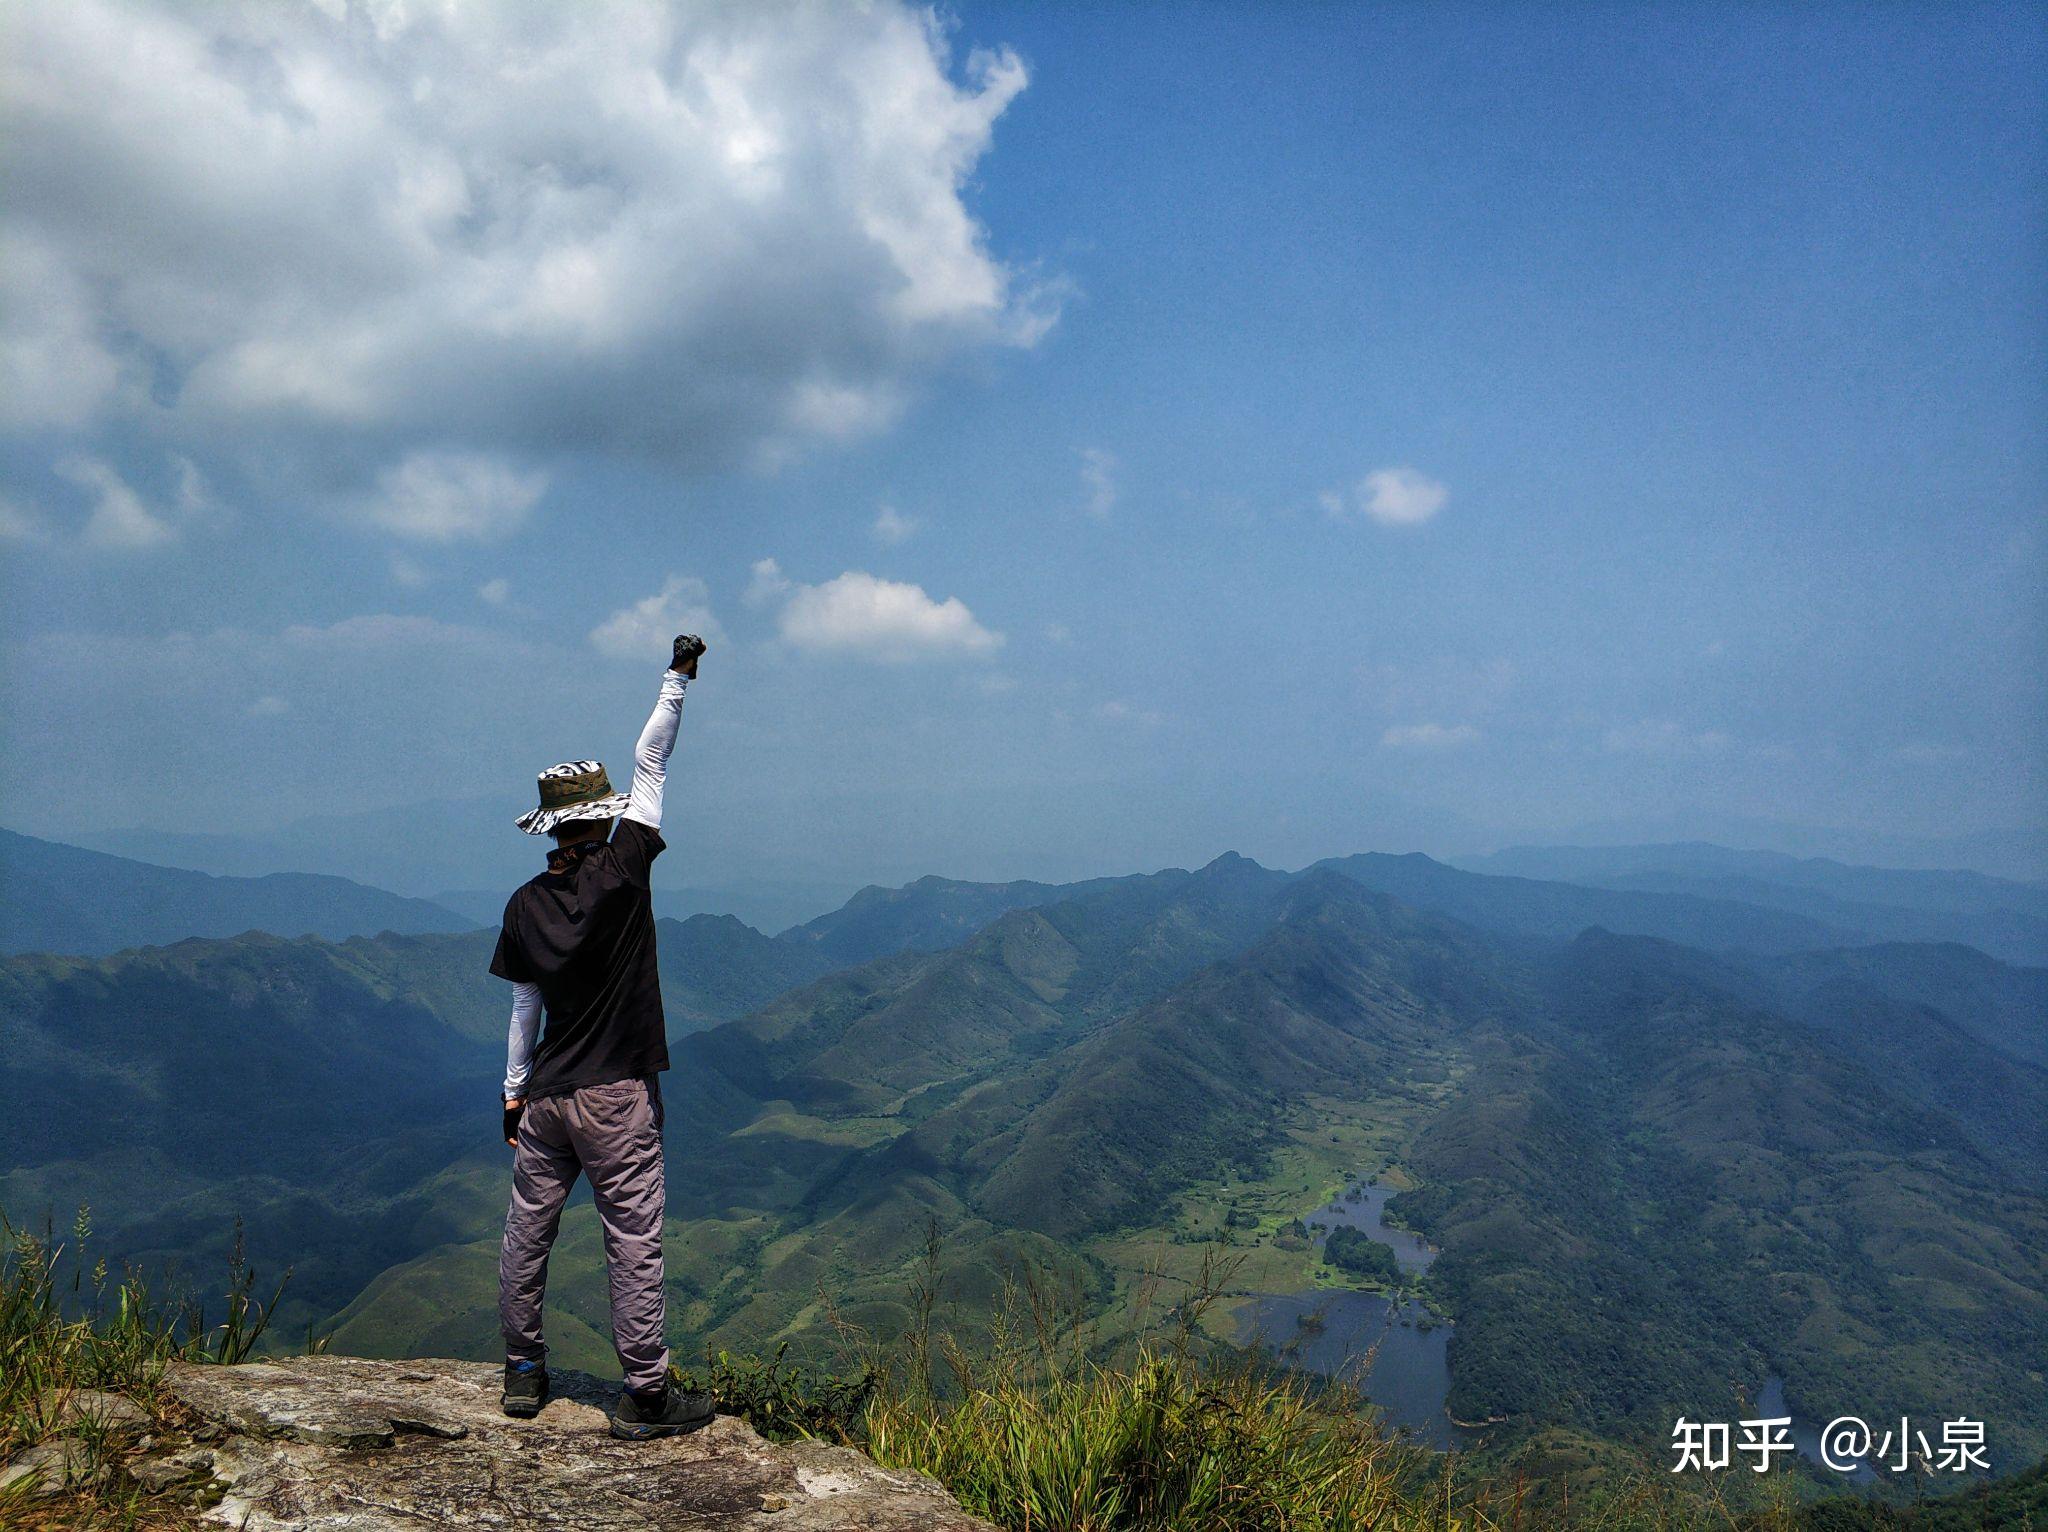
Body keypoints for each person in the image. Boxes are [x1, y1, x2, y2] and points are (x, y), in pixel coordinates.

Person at [490, 632, 714, 1438]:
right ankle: (647, 1397)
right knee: (633, 1237)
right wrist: (677, 677)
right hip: (616, 1094)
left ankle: (522, 1373)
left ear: (551, 827)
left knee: (528, 1230)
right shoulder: (625, 867)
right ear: (602, 813)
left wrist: (514, 1096)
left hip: (546, 1097)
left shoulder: (523, 905)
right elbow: (652, 760)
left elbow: (524, 1010)